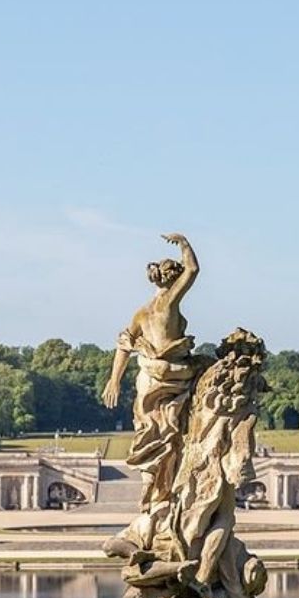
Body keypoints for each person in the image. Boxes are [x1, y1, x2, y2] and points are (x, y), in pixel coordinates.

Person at [101, 233, 203, 559]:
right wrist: (185, 242)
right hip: (169, 381)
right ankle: (162, 501)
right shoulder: (170, 302)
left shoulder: (142, 312)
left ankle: (155, 499)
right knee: (169, 439)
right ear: (171, 279)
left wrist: (114, 380)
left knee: (156, 439)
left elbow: (123, 345)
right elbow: (194, 269)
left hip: (149, 380)